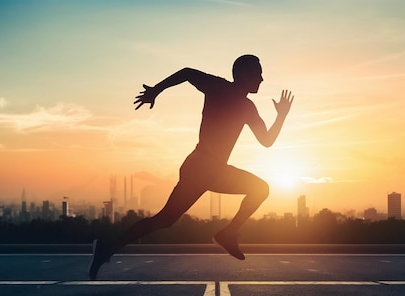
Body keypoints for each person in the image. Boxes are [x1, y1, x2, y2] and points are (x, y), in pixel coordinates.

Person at [89, 54, 293, 280]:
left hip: (209, 169)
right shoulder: (218, 87)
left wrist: (281, 116)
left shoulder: (247, 107)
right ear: (243, 74)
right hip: (202, 167)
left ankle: (107, 248)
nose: (262, 79)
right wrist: (156, 90)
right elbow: (187, 72)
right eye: (258, 73)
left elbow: (266, 141)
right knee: (258, 189)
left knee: (165, 219)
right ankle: (228, 233)